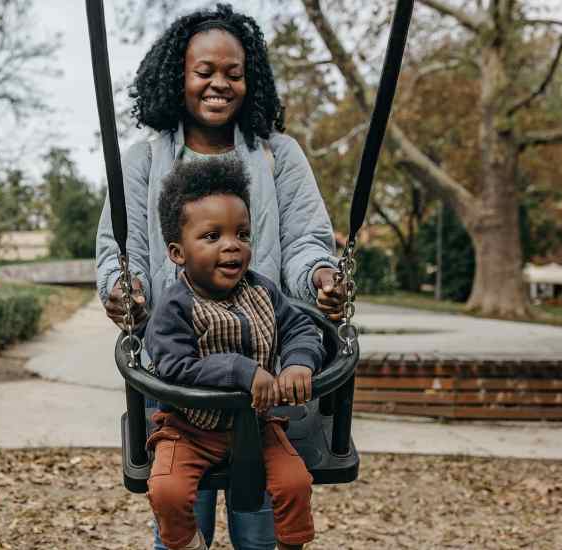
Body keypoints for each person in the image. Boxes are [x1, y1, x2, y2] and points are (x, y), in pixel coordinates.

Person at [95, 4, 342, 549]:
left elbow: (304, 242)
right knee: (185, 507)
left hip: (266, 380)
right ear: (177, 75)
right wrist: (123, 290)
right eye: (204, 71)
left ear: (250, 81)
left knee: (261, 518)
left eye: (233, 73)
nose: (219, 84)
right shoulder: (145, 161)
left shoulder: (279, 156)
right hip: (178, 381)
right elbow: (122, 249)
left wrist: (322, 276)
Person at [146, 157, 322, 550]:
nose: (232, 245)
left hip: (258, 426)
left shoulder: (263, 291)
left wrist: (297, 362)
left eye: (242, 234)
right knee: (166, 492)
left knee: (295, 483)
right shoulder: (174, 307)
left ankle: (291, 544)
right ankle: (187, 544)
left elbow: (300, 328)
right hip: (189, 429)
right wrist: (240, 370)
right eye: (212, 236)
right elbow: (174, 367)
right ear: (178, 252)